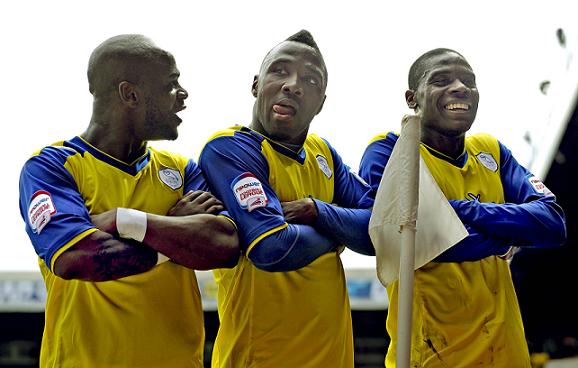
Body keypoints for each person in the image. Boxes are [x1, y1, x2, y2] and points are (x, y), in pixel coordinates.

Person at [18, 34, 240, 368]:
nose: (183, 95)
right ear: (130, 94)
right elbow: (77, 258)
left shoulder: (181, 170)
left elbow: (223, 246)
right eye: (171, 84)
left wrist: (123, 221)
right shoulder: (51, 167)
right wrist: (174, 229)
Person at [359, 48, 567, 367]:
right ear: (412, 98)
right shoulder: (390, 150)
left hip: (507, 354)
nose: (460, 88)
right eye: (442, 80)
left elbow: (552, 224)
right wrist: (506, 236)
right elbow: (410, 237)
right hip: (433, 356)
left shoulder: (491, 151)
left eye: (468, 81)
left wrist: (466, 211)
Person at [198, 30, 375, 367]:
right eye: (280, 71)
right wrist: (338, 230)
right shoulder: (230, 149)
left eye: (310, 79)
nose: (293, 84)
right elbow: (272, 248)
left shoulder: (324, 155)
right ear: (255, 85)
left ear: (321, 102)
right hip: (261, 358)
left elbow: (380, 232)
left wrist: (317, 211)